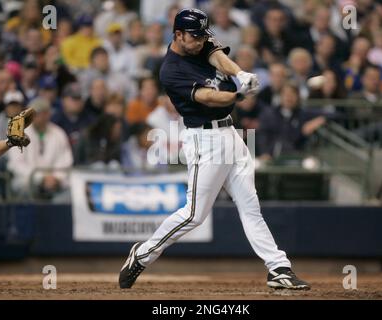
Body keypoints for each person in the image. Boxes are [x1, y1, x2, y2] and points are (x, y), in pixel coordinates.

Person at [118, 8, 310, 291]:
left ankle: (278, 267)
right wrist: (238, 94)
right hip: (204, 140)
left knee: (250, 205)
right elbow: (207, 97)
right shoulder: (170, 70)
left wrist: (240, 73)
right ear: (178, 35)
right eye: (194, 37)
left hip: (230, 135)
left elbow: (215, 54)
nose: (199, 41)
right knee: (194, 214)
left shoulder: (198, 43)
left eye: (201, 35)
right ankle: (143, 254)